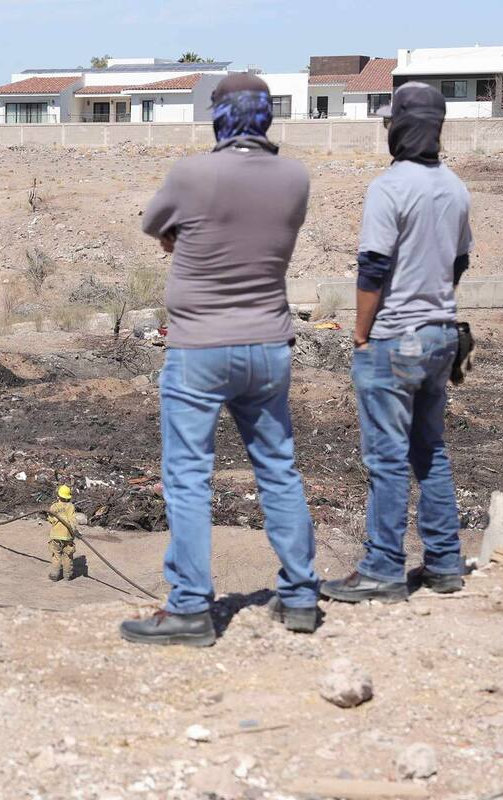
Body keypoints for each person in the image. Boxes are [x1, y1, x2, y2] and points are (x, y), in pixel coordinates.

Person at [119, 74, 320, 648]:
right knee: (278, 469)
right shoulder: (295, 177)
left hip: (199, 349)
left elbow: (157, 229)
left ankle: (189, 608)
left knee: (188, 477)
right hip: (269, 346)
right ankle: (301, 594)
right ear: (265, 118)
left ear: (219, 117)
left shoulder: (191, 174)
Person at [321, 83, 471, 604]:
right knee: (429, 450)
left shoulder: (388, 188)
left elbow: (373, 268)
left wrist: (361, 334)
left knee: (385, 458)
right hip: (442, 335)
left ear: (400, 128)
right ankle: (445, 563)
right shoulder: (455, 187)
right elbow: (458, 263)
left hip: (394, 340)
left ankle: (383, 569)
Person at [47, 485, 78, 582]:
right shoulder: (71, 507)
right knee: (68, 557)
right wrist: (74, 531)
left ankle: (54, 575)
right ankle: (67, 576)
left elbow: (51, 519)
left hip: (56, 536)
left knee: (56, 556)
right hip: (68, 537)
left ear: (58, 496)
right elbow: (73, 521)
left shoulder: (54, 506)